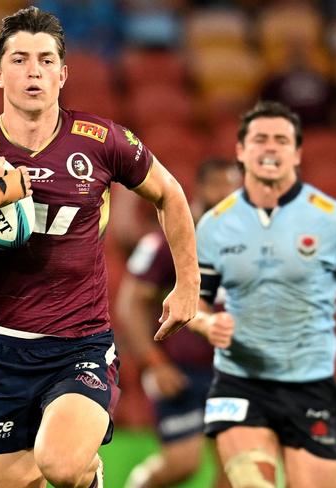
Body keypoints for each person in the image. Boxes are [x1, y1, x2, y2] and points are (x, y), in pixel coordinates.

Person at [0, 6, 200, 488]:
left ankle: (89, 470)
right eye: (20, 59)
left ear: (63, 73)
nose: (34, 71)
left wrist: (187, 282)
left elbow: (169, 193)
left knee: (61, 464)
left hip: (81, 345)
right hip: (5, 351)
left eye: (47, 60)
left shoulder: (101, 141)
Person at [187, 101, 336, 488]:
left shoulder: (333, 219)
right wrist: (207, 322)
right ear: (241, 151)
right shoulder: (214, 226)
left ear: (297, 153)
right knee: (250, 482)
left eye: (281, 140)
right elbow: (192, 303)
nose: (270, 148)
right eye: (260, 139)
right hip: (240, 381)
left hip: (311, 383)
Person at [120, 158, 240, 488]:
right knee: (181, 463)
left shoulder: (247, 243)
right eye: (218, 184)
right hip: (180, 370)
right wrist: (154, 363)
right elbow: (130, 304)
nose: (226, 193)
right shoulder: (165, 241)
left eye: (234, 186)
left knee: (234, 467)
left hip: (230, 371)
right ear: (200, 188)